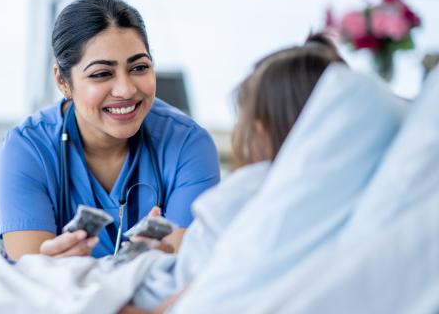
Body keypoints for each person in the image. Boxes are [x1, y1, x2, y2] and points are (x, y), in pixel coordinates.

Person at [122, 33, 347, 313]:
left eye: (242, 118)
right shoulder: (337, 200)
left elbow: (201, 292)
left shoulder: (250, 191)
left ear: (260, 128)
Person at [0, 0, 221, 260]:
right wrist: (46, 267)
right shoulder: (27, 148)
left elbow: (184, 273)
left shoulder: (189, 145)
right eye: (102, 74)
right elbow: (31, 276)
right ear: (62, 80)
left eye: (139, 67)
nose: (126, 90)